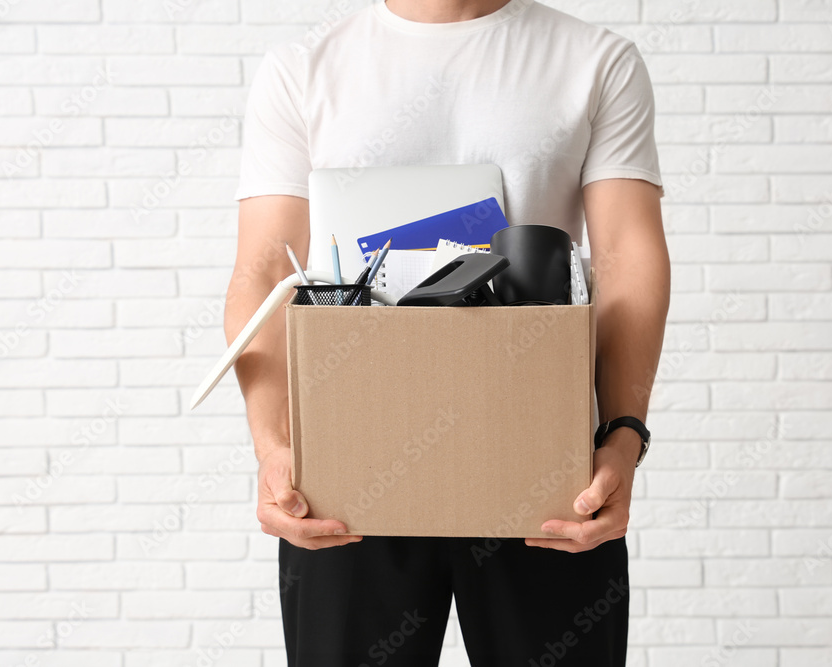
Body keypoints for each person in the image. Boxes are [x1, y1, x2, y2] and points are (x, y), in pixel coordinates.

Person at [223, 0, 670, 664]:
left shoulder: (596, 62)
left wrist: (624, 437)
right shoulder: (302, 70)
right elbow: (261, 270)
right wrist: (274, 445)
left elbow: (629, 256)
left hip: (542, 466)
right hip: (348, 466)